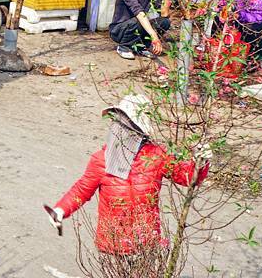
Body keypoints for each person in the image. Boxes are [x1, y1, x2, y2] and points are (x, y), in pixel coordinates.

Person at [47, 95, 208, 257]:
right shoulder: (102, 160)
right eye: (120, 122)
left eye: (130, 124)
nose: (122, 129)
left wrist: (200, 163)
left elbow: (187, 177)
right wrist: (60, 210)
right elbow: (82, 190)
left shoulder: (156, 156)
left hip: (145, 244)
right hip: (113, 246)